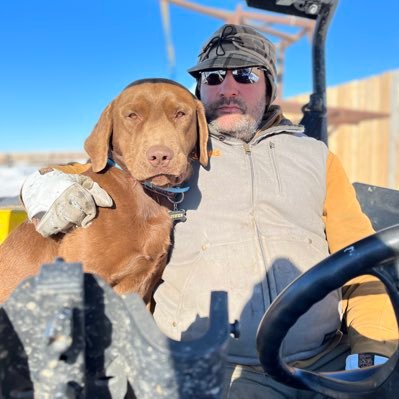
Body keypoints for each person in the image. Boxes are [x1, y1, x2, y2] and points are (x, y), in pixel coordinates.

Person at [21, 24, 397, 398]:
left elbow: (359, 256)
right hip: (218, 368)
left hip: (326, 357)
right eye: (213, 76)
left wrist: (371, 349)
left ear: (269, 86)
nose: (228, 88)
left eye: (245, 75)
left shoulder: (316, 157)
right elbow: (88, 170)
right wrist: (41, 187)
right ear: (200, 89)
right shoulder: (176, 154)